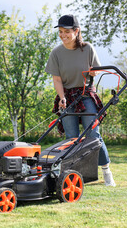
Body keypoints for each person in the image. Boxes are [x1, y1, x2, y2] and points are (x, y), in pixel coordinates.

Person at [45, 14, 116, 187]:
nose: (63, 35)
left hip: (86, 95)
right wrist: (62, 98)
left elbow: (96, 70)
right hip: (68, 97)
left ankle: (106, 171)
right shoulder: (56, 53)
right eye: (61, 32)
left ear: (76, 31)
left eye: (67, 32)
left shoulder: (87, 48)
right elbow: (57, 79)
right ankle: (74, 175)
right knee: (72, 138)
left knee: (93, 135)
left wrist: (94, 72)